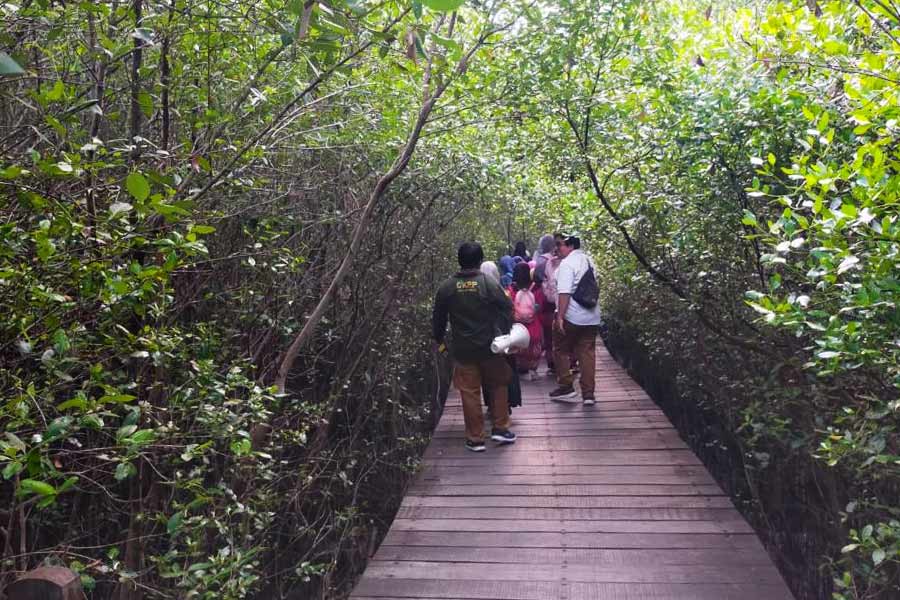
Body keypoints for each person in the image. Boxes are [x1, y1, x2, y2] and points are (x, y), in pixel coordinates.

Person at [433, 242, 518, 451]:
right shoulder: (488, 283)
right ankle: (500, 429)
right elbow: (507, 307)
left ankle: (475, 438)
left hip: (463, 351)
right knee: (499, 384)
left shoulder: (447, 288)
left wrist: (440, 342)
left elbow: (438, 320)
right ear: (480, 261)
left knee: (469, 393)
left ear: (459, 261)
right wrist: (506, 334)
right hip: (491, 347)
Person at [548, 235, 602, 405]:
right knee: (587, 353)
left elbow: (564, 292)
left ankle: (566, 387)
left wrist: (560, 317)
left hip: (572, 315)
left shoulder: (567, 264)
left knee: (560, 349)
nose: (557, 249)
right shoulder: (589, 260)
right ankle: (588, 394)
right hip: (591, 316)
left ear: (571, 245)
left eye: (560, 245)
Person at [481, 260, 522, 413]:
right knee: (507, 371)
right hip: (506, 339)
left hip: (489, 341)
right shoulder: (503, 293)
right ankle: (508, 402)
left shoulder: (480, 295)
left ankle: (493, 405)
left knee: (488, 375)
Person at [534, 233, 562, 374]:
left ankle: (552, 362)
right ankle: (562, 363)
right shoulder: (559, 260)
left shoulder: (540, 261)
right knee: (559, 334)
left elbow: (536, 279)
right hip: (559, 302)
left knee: (548, 335)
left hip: (545, 304)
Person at [510, 262, 543, 381]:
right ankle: (532, 369)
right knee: (533, 347)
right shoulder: (536, 289)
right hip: (534, 326)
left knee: (519, 348)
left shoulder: (511, 290)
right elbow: (540, 306)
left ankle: (521, 370)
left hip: (518, 327)